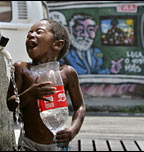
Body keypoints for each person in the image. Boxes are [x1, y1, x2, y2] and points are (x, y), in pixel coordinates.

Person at [6, 19, 86, 151]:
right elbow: (10, 104)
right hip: (28, 144)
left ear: (57, 45)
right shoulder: (22, 69)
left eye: (39, 32)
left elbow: (80, 107)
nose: (31, 35)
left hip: (58, 144)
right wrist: (29, 94)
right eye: (29, 33)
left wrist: (72, 131)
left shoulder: (67, 73)